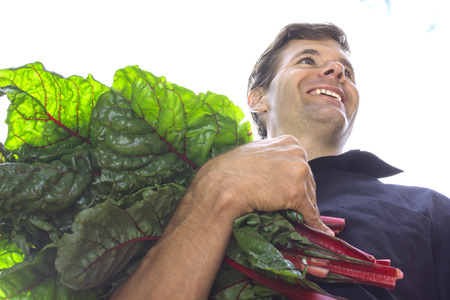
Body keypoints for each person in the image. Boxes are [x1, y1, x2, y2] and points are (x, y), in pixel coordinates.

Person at [111, 23, 450, 299]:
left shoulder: (431, 208)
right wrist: (214, 192)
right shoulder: (184, 199)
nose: (336, 71)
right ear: (257, 99)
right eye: (307, 60)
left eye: (346, 70)